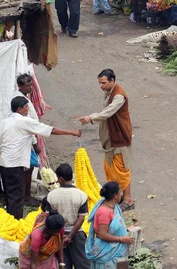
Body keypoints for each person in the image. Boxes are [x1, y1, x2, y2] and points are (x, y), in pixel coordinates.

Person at [0, 97, 82, 219]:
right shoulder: (24, 121)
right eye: (26, 107)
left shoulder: (4, 122)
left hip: (4, 164)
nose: (28, 109)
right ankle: (15, 224)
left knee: (9, 195)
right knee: (17, 197)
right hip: (14, 164)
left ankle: (9, 220)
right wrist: (72, 132)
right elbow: (50, 130)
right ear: (20, 109)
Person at [77, 69, 134, 211]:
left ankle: (128, 199)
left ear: (112, 81)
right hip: (110, 139)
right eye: (99, 83)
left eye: (103, 83)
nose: (101, 86)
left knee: (121, 170)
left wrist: (91, 118)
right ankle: (118, 197)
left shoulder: (119, 96)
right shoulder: (109, 93)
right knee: (112, 169)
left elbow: (109, 112)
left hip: (119, 139)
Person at [43, 164, 90, 269]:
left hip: (57, 235)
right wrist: (70, 236)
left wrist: (63, 236)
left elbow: (49, 217)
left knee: (63, 264)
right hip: (77, 234)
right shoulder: (81, 195)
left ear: (60, 179)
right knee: (82, 264)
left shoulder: (51, 196)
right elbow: (81, 218)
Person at [85, 182, 135, 269]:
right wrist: (121, 239)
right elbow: (102, 234)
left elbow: (113, 227)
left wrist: (125, 230)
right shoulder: (104, 212)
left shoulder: (114, 207)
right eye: (120, 192)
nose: (121, 195)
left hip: (119, 252)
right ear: (115, 195)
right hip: (108, 254)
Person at [13, 74, 43, 204]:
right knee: (28, 167)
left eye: (31, 84)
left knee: (29, 167)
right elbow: (27, 124)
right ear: (20, 86)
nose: (31, 87)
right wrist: (35, 143)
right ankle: (25, 197)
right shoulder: (20, 100)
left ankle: (25, 195)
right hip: (27, 138)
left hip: (30, 136)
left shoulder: (24, 97)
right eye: (28, 85)